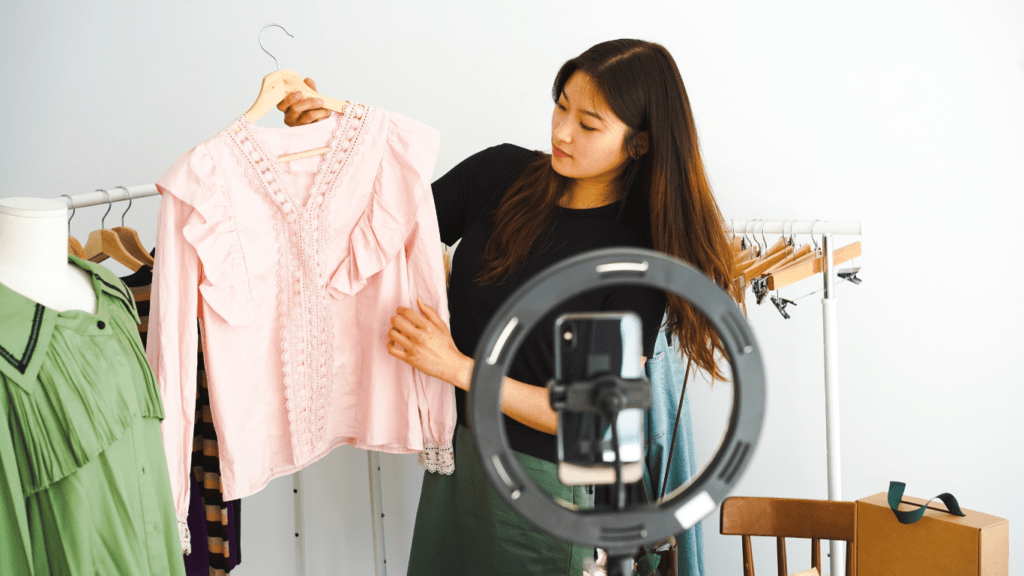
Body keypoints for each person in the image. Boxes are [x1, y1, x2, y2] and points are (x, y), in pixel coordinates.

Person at [279, 39, 736, 576]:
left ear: (638, 145)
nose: (562, 131)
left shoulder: (634, 260)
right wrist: (327, 142)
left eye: (589, 125)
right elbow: (385, 232)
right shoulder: (499, 175)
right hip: (460, 458)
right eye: (561, 104)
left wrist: (456, 367)